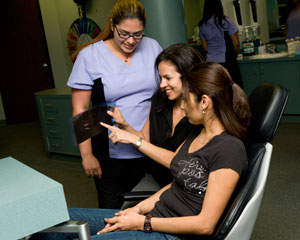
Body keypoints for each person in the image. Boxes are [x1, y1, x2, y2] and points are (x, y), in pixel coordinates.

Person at [31, 62, 251, 240]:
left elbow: (205, 225)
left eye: (186, 100)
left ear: (204, 102)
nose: (182, 106)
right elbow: (176, 184)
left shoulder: (229, 150)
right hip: (153, 218)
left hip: (171, 233)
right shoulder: (197, 133)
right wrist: (137, 210)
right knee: (59, 222)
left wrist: (142, 223)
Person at [67, 0, 162, 209]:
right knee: (112, 208)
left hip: (150, 143)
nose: (131, 41)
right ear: (112, 25)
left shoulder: (152, 46)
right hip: (110, 150)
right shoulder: (90, 55)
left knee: (155, 206)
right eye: (124, 34)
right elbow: (80, 110)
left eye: (138, 34)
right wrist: (87, 155)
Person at [108, 43, 205, 188]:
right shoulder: (160, 100)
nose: (161, 84)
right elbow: (146, 138)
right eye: (160, 78)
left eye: (167, 78)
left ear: (188, 75)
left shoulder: (201, 112)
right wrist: (124, 125)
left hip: (185, 184)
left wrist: (135, 141)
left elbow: (179, 162)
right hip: (156, 178)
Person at [198, 0, 243, 88]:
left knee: (217, 89)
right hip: (227, 61)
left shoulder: (202, 25)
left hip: (211, 62)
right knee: (234, 88)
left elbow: (205, 47)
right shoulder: (226, 21)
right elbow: (236, 43)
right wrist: (235, 53)